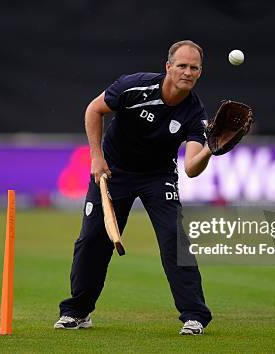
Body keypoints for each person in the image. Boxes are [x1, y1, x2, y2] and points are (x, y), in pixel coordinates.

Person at [55, 40, 214, 335]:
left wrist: (211, 149)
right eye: (182, 66)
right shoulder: (134, 87)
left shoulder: (195, 113)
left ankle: (194, 316)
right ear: (168, 67)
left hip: (158, 175)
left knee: (172, 237)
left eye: (194, 68)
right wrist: (96, 157)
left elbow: (192, 167)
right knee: (92, 239)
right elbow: (94, 110)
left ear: (200, 72)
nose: (187, 72)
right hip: (114, 169)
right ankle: (78, 311)